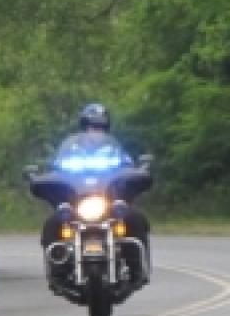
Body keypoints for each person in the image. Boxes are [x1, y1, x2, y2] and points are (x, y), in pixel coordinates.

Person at [39, 102, 151, 282]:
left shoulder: (115, 151)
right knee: (53, 223)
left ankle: (136, 268)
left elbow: (130, 167)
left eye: (99, 126)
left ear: (106, 128)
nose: (95, 130)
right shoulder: (72, 150)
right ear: (84, 127)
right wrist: (44, 176)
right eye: (91, 126)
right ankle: (57, 270)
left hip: (109, 204)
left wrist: (138, 171)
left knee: (134, 218)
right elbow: (55, 169)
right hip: (76, 204)